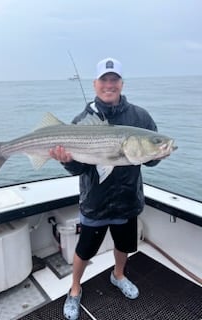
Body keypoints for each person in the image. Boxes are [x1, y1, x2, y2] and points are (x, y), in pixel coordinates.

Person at [49, 57, 161, 320]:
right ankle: (74, 288)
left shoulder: (140, 117)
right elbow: (80, 169)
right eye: (104, 80)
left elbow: (151, 155)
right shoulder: (82, 120)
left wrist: (158, 153)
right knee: (84, 250)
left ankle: (118, 275)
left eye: (114, 80)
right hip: (95, 202)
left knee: (124, 246)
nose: (109, 85)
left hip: (127, 200)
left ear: (121, 83)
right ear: (95, 84)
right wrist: (67, 162)